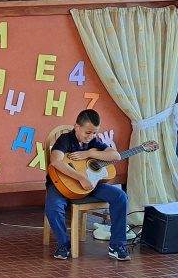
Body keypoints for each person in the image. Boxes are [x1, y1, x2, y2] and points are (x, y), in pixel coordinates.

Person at [45, 109, 130, 261]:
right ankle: (64, 244)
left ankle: (117, 246)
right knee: (53, 207)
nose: (90, 136)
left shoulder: (92, 143)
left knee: (120, 196)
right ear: (77, 127)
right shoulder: (65, 139)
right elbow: (56, 161)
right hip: (61, 186)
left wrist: (89, 154)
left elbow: (116, 155)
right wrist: (80, 177)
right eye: (87, 132)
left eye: (94, 133)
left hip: (90, 186)